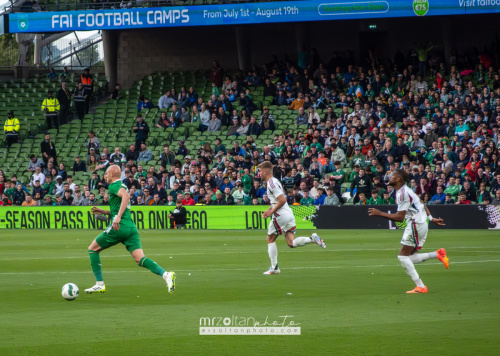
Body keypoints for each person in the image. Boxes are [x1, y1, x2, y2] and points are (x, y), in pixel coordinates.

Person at [84, 165, 176, 294]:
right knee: (140, 259)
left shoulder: (114, 186)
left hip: (119, 227)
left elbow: (126, 197)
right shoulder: (123, 185)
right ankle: (166, 275)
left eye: (106, 173)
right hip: (130, 227)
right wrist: (104, 211)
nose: (104, 176)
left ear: (112, 174)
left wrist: (117, 218)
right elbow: (120, 206)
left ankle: (99, 284)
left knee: (92, 249)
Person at [367, 169, 449, 294]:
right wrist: (431, 219)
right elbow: (421, 202)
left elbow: (400, 217)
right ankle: (438, 254)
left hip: (415, 224)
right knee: (409, 257)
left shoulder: (402, 193)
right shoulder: (406, 191)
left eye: (393, 175)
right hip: (420, 224)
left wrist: (380, 213)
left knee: (402, 256)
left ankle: (421, 286)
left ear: (399, 179)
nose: (390, 177)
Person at [258, 161, 326, 275]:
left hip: (281, 215)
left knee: (270, 239)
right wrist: (269, 210)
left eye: (260, 171)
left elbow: (282, 200)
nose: (259, 174)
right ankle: (312, 239)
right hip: (288, 214)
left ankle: (274, 267)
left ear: (265, 171)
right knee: (291, 243)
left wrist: (271, 212)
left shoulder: (271, 184)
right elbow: (278, 200)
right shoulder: (275, 182)